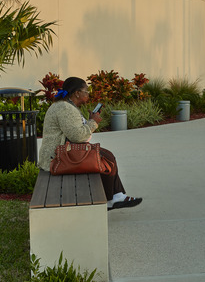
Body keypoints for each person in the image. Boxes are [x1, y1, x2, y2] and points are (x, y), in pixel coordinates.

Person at [38, 76, 142, 210]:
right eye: (86, 91)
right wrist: (94, 122)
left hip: (63, 153)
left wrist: (90, 121)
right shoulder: (65, 108)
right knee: (105, 158)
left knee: (105, 156)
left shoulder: (65, 105)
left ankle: (116, 196)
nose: (88, 94)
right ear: (77, 93)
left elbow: (75, 131)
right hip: (57, 159)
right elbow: (78, 136)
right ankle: (113, 198)